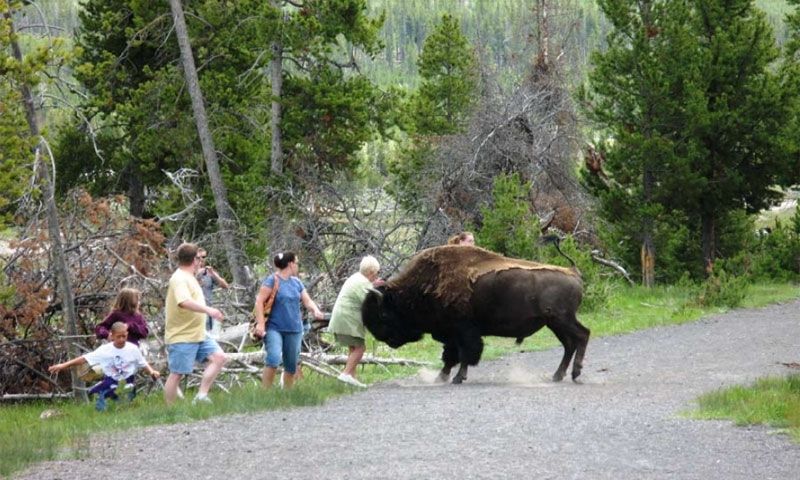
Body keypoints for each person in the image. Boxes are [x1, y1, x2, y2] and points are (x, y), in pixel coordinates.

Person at [163, 243, 227, 406]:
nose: (201, 261)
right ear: (194, 259)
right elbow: (183, 302)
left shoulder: (190, 276)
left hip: (199, 332)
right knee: (177, 374)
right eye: (199, 258)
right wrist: (209, 311)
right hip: (182, 335)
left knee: (219, 358)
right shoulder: (179, 278)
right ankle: (169, 409)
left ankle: (201, 396)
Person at [48, 322, 160, 411]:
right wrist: (63, 365)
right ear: (112, 335)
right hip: (111, 380)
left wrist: (152, 372)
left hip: (127, 380)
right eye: (118, 337)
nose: (121, 339)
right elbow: (84, 358)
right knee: (98, 393)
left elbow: (143, 363)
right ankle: (102, 413)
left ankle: (124, 406)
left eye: (124, 336)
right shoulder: (105, 350)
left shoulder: (133, 349)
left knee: (124, 398)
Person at [253, 251, 324, 389]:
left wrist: (315, 310)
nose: (298, 266)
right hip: (274, 328)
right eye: (297, 263)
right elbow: (259, 302)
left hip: (294, 329)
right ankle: (265, 393)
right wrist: (261, 324)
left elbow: (307, 300)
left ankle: (287, 393)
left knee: (291, 364)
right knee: (273, 358)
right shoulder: (272, 280)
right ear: (291, 264)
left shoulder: (297, 283)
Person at [327, 255, 383, 388]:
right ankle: (345, 374)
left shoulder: (356, 278)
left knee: (353, 348)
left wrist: (373, 285)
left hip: (342, 319)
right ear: (370, 272)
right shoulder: (363, 283)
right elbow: (369, 302)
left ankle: (352, 378)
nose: (376, 276)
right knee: (360, 348)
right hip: (348, 320)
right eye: (376, 273)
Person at [196, 248, 229, 338]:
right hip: (195, 312)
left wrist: (213, 274)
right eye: (198, 257)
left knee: (211, 337)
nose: (201, 259)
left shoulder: (208, 272)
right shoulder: (189, 273)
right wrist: (197, 275)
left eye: (204, 257)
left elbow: (225, 286)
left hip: (209, 310)